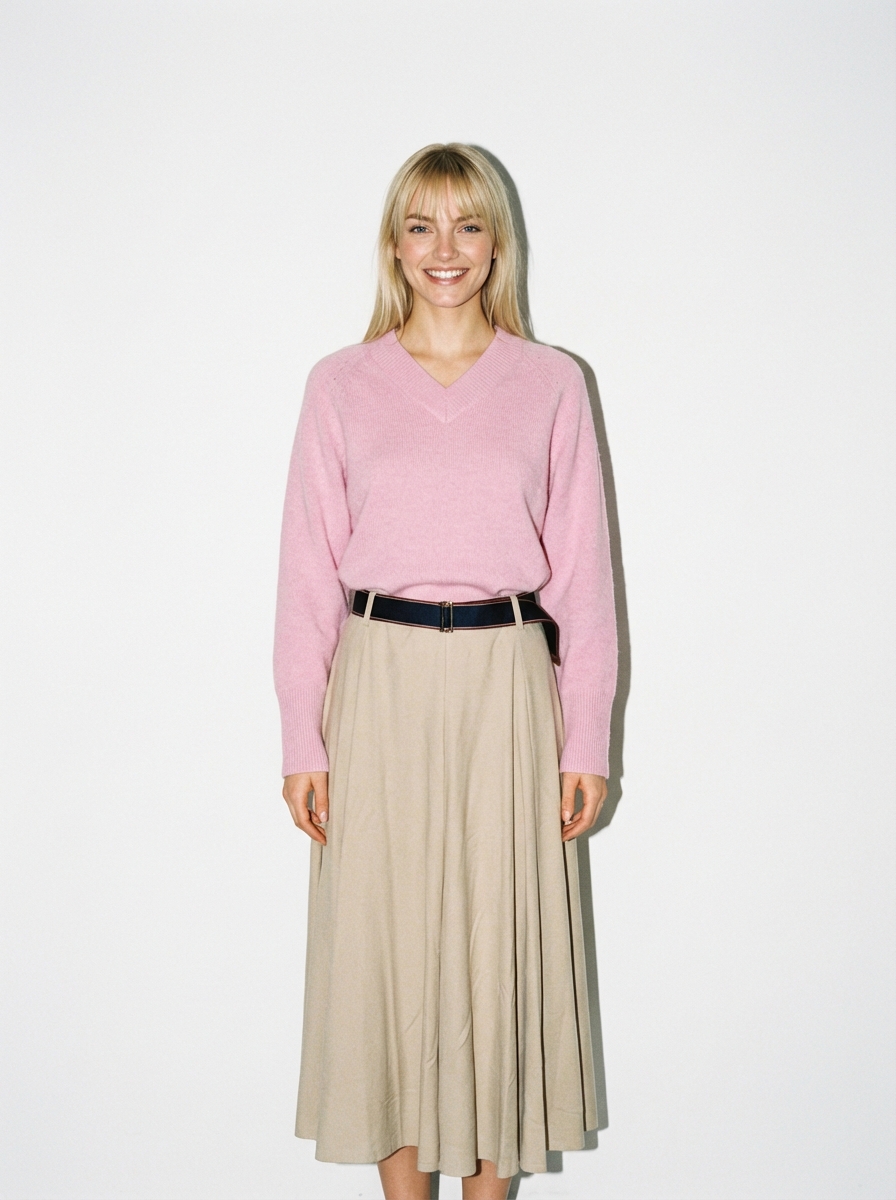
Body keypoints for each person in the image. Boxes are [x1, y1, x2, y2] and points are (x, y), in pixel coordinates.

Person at [274, 143, 617, 1200]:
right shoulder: (340, 384)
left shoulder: (552, 383)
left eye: (468, 224)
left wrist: (586, 736)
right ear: (393, 244)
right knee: (387, 958)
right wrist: (301, 739)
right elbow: (304, 574)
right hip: (377, 687)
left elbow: (585, 577)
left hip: (506, 689)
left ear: (496, 242)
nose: (445, 249)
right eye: (421, 225)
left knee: (495, 957)